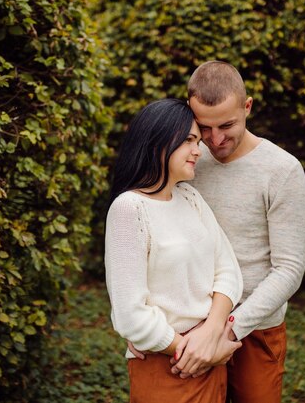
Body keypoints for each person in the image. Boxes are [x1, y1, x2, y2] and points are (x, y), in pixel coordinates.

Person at [173, 61, 305, 403]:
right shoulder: (183, 159)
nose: (215, 140)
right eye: (204, 127)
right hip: (188, 324)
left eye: (227, 125)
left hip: (256, 327)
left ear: (247, 107)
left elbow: (289, 269)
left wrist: (226, 328)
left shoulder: (282, 169)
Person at [104, 98, 244, 403]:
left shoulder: (190, 198)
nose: (198, 150)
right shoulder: (130, 209)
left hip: (208, 361)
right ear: (158, 143)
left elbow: (229, 272)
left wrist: (210, 336)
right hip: (168, 368)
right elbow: (131, 315)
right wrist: (190, 351)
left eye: (197, 141)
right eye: (189, 141)